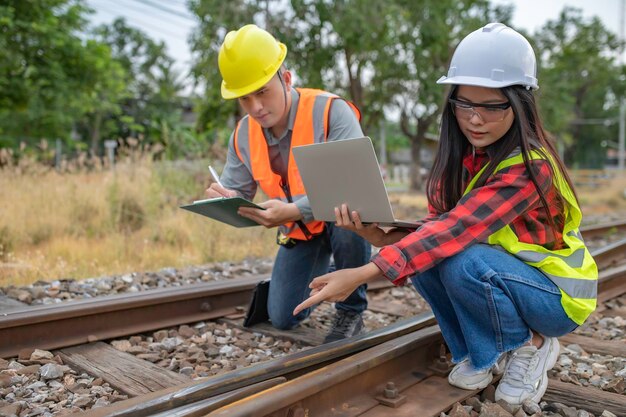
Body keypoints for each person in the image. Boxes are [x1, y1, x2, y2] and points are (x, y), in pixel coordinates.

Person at [293, 22, 598, 406]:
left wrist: (362, 273)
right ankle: (482, 354)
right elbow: (435, 235)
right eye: (465, 104)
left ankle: (530, 345)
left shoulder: (530, 166)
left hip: (556, 298)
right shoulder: (462, 160)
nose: (474, 119)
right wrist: (375, 236)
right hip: (511, 278)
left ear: (520, 106)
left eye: (492, 106)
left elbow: (459, 227)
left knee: (463, 259)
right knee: (427, 258)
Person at [206, 24, 371, 343]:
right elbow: (237, 192)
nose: (255, 107)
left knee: (351, 217)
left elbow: (354, 187)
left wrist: (293, 210)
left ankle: (351, 311)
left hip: (344, 221)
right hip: (302, 232)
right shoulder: (243, 134)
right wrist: (223, 199)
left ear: (286, 78)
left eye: (262, 92)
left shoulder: (330, 112)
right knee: (282, 317)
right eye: (245, 98)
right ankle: (303, 278)